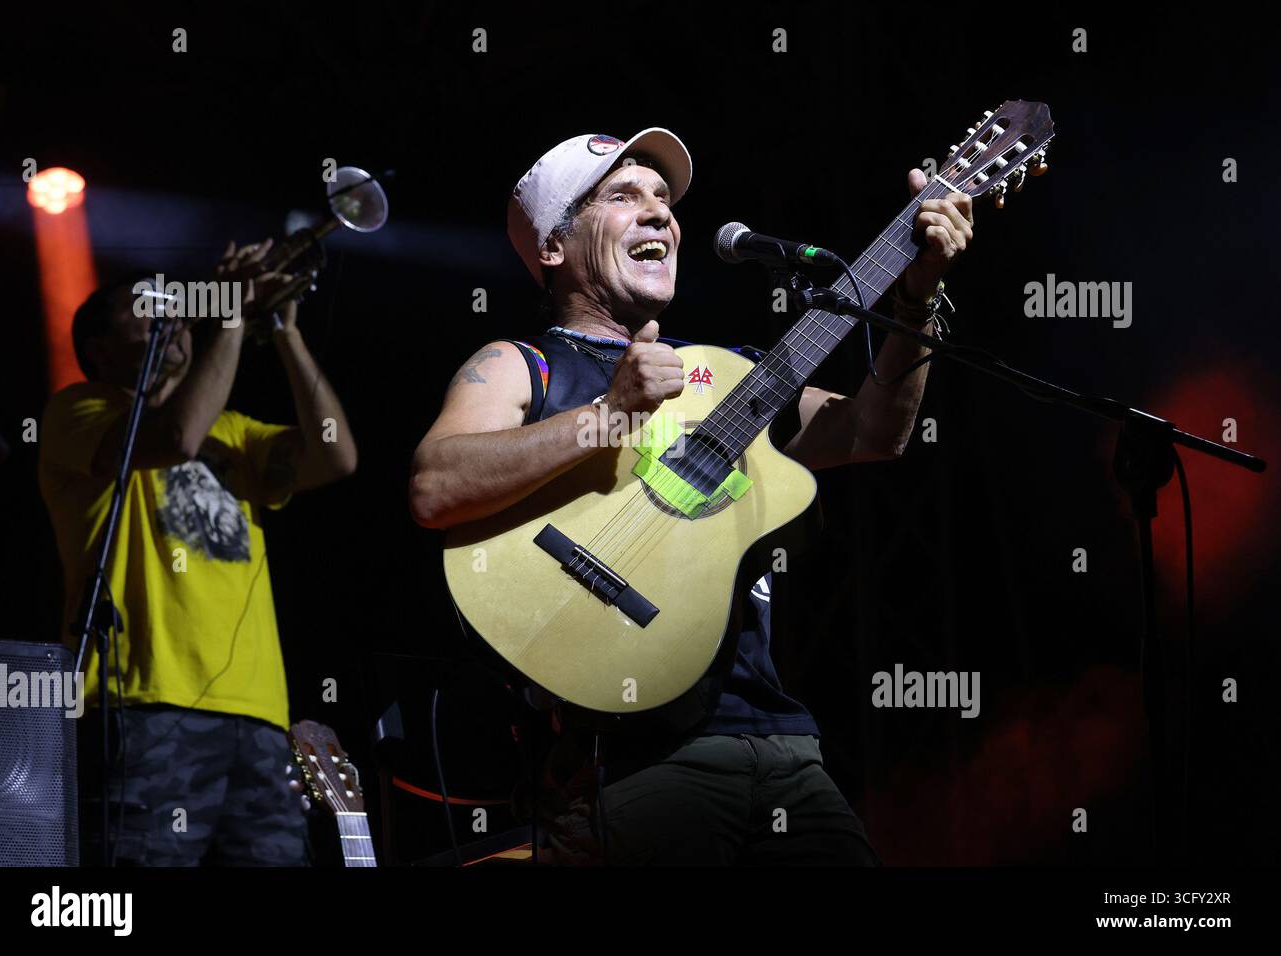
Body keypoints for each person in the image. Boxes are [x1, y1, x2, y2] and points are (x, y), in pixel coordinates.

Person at [410, 128, 973, 865]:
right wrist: (608, 414)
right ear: (553, 245)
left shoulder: (729, 372)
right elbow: (435, 484)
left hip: (786, 750)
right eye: (623, 195)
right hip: (635, 763)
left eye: (664, 200)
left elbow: (874, 430)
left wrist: (918, 295)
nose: (660, 215)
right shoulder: (523, 365)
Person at [39, 240, 358, 865]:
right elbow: (179, 437)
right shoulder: (81, 410)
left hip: (260, 714)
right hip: (144, 703)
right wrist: (234, 316)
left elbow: (337, 454)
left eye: (176, 308)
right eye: (148, 309)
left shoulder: (236, 432)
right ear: (101, 348)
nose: (174, 317)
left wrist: (284, 332)